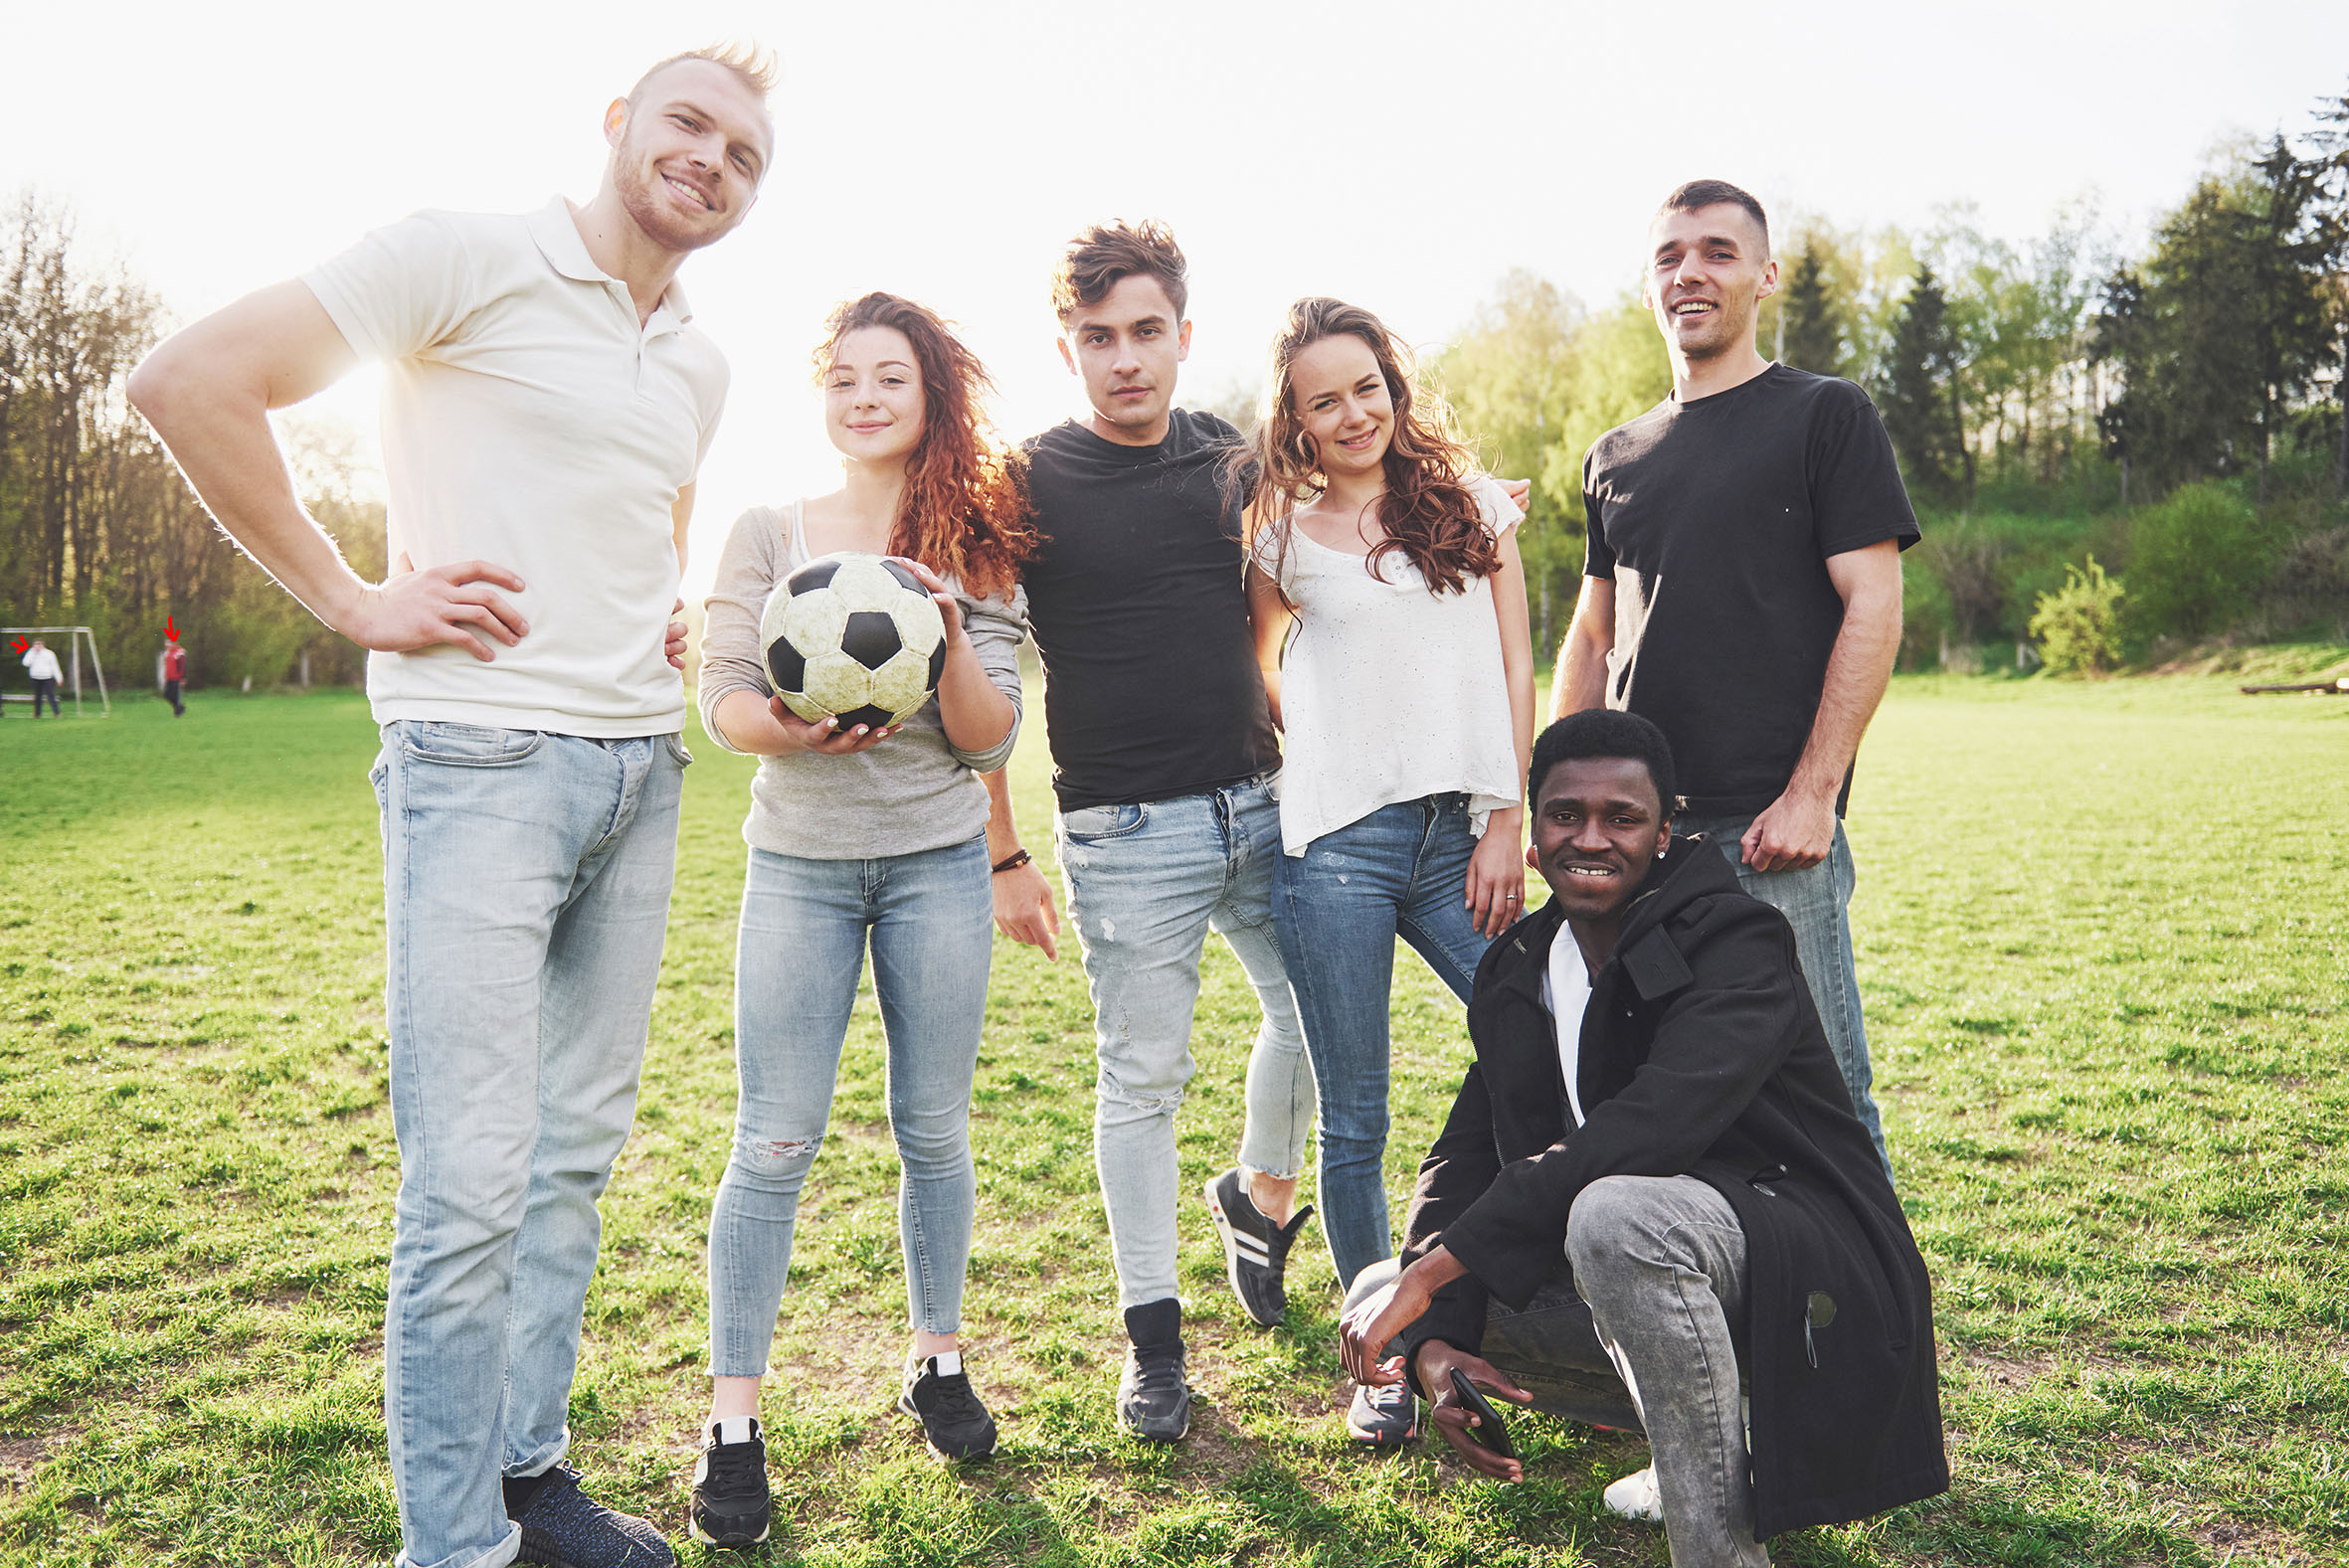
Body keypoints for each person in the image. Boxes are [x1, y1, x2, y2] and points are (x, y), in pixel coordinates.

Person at [127, 46, 775, 1568]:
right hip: (479, 762)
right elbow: (186, 382)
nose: (712, 160)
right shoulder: (462, 256)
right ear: (617, 124)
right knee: (471, 1181)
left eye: (746, 153)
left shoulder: (698, 363)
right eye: (687, 123)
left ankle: (525, 1481)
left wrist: (667, 607)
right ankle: (452, 1547)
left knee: (568, 1165)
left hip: (640, 773)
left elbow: (654, 510)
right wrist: (353, 595)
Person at [1340, 710, 1947, 1568]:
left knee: (1613, 1217)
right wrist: (1435, 1335)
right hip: (1661, 1276)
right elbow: (1463, 1154)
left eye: (1621, 817)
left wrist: (1438, 1270)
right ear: (1534, 833)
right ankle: (1703, 1434)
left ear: (1664, 835)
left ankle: (1721, 1551)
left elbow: (1652, 1126)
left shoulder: (1737, 940)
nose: (1591, 837)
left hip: (1803, 1280)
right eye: (1565, 813)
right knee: (1379, 1287)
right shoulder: (1519, 967)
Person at [684, 293, 1034, 1546]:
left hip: (937, 864)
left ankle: (937, 1357)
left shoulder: (976, 545)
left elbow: (990, 735)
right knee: (772, 1139)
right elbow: (725, 698)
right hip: (800, 868)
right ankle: (733, 1422)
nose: (865, 395)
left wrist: (947, 632)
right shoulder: (764, 532)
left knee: (932, 1127)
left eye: (891, 375)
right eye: (843, 377)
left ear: (931, 395)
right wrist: (791, 729)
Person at [980, 220, 1318, 1443]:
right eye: (1097, 337)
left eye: (1145, 331)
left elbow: (1284, 602)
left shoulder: (1229, 455)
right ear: (1066, 348)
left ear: (1183, 333)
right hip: (1123, 832)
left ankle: (1255, 1191)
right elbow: (983, 667)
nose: (1124, 358)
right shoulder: (1024, 482)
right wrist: (1003, 851)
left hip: (1262, 802)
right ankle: (1155, 1343)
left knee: (1318, 1018)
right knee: (1141, 1085)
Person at [1549, 179, 1915, 1175]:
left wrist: (1812, 794)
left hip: (1769, 840)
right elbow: (1594, 633)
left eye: (1717, 251)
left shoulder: (1825, 415)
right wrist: (1558, 803)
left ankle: (1873, 1282)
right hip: (1639, 844)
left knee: (1825, 1102)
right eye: (1669, 256)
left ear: (1766, 275)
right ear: (1648, 286)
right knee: (1657, 1102)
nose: (1690, 273)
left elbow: (1873, 604)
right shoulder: (1613, 455)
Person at [1238, 297, 1535, 1447]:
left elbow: (1515, 663)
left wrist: (1504, 815)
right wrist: (1330, 745)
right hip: (1335, 852)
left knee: (1541, 1031)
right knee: (1353, 1114)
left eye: (1365, 386)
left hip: (1461, 838)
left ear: (1392, 387)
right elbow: (1260, 670)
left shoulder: (1473, 504)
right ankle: (1381, 1358)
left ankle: (1532, 1293)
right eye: (1325, 400)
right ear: (1297, 421)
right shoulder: (1277, 538)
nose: (1352, 412)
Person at [23, 638, 63, 716]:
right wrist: (32, 653)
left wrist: (59, 678)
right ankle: (37, 714)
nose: (38, 646)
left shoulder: (49, 654)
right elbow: (25, 663)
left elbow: (55, 667)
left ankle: (56, 713)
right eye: (36, 644)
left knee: (51, 695)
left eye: (39, 644)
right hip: (35, 678)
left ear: (43, 645)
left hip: (47, 678)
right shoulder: (30, 653)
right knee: (37, 697)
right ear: (33, 645)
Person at [162, 635, 188, 716]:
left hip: (176, 678)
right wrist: (165, 677)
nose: (166, 644)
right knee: (166, 695)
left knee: (175, 696)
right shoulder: (167, 652)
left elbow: (182, 666)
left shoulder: (180, 652)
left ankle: (178, 712)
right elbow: (167, 666)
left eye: (168, 642)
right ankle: (179, 707)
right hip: (169, 678)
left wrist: (183, 678)